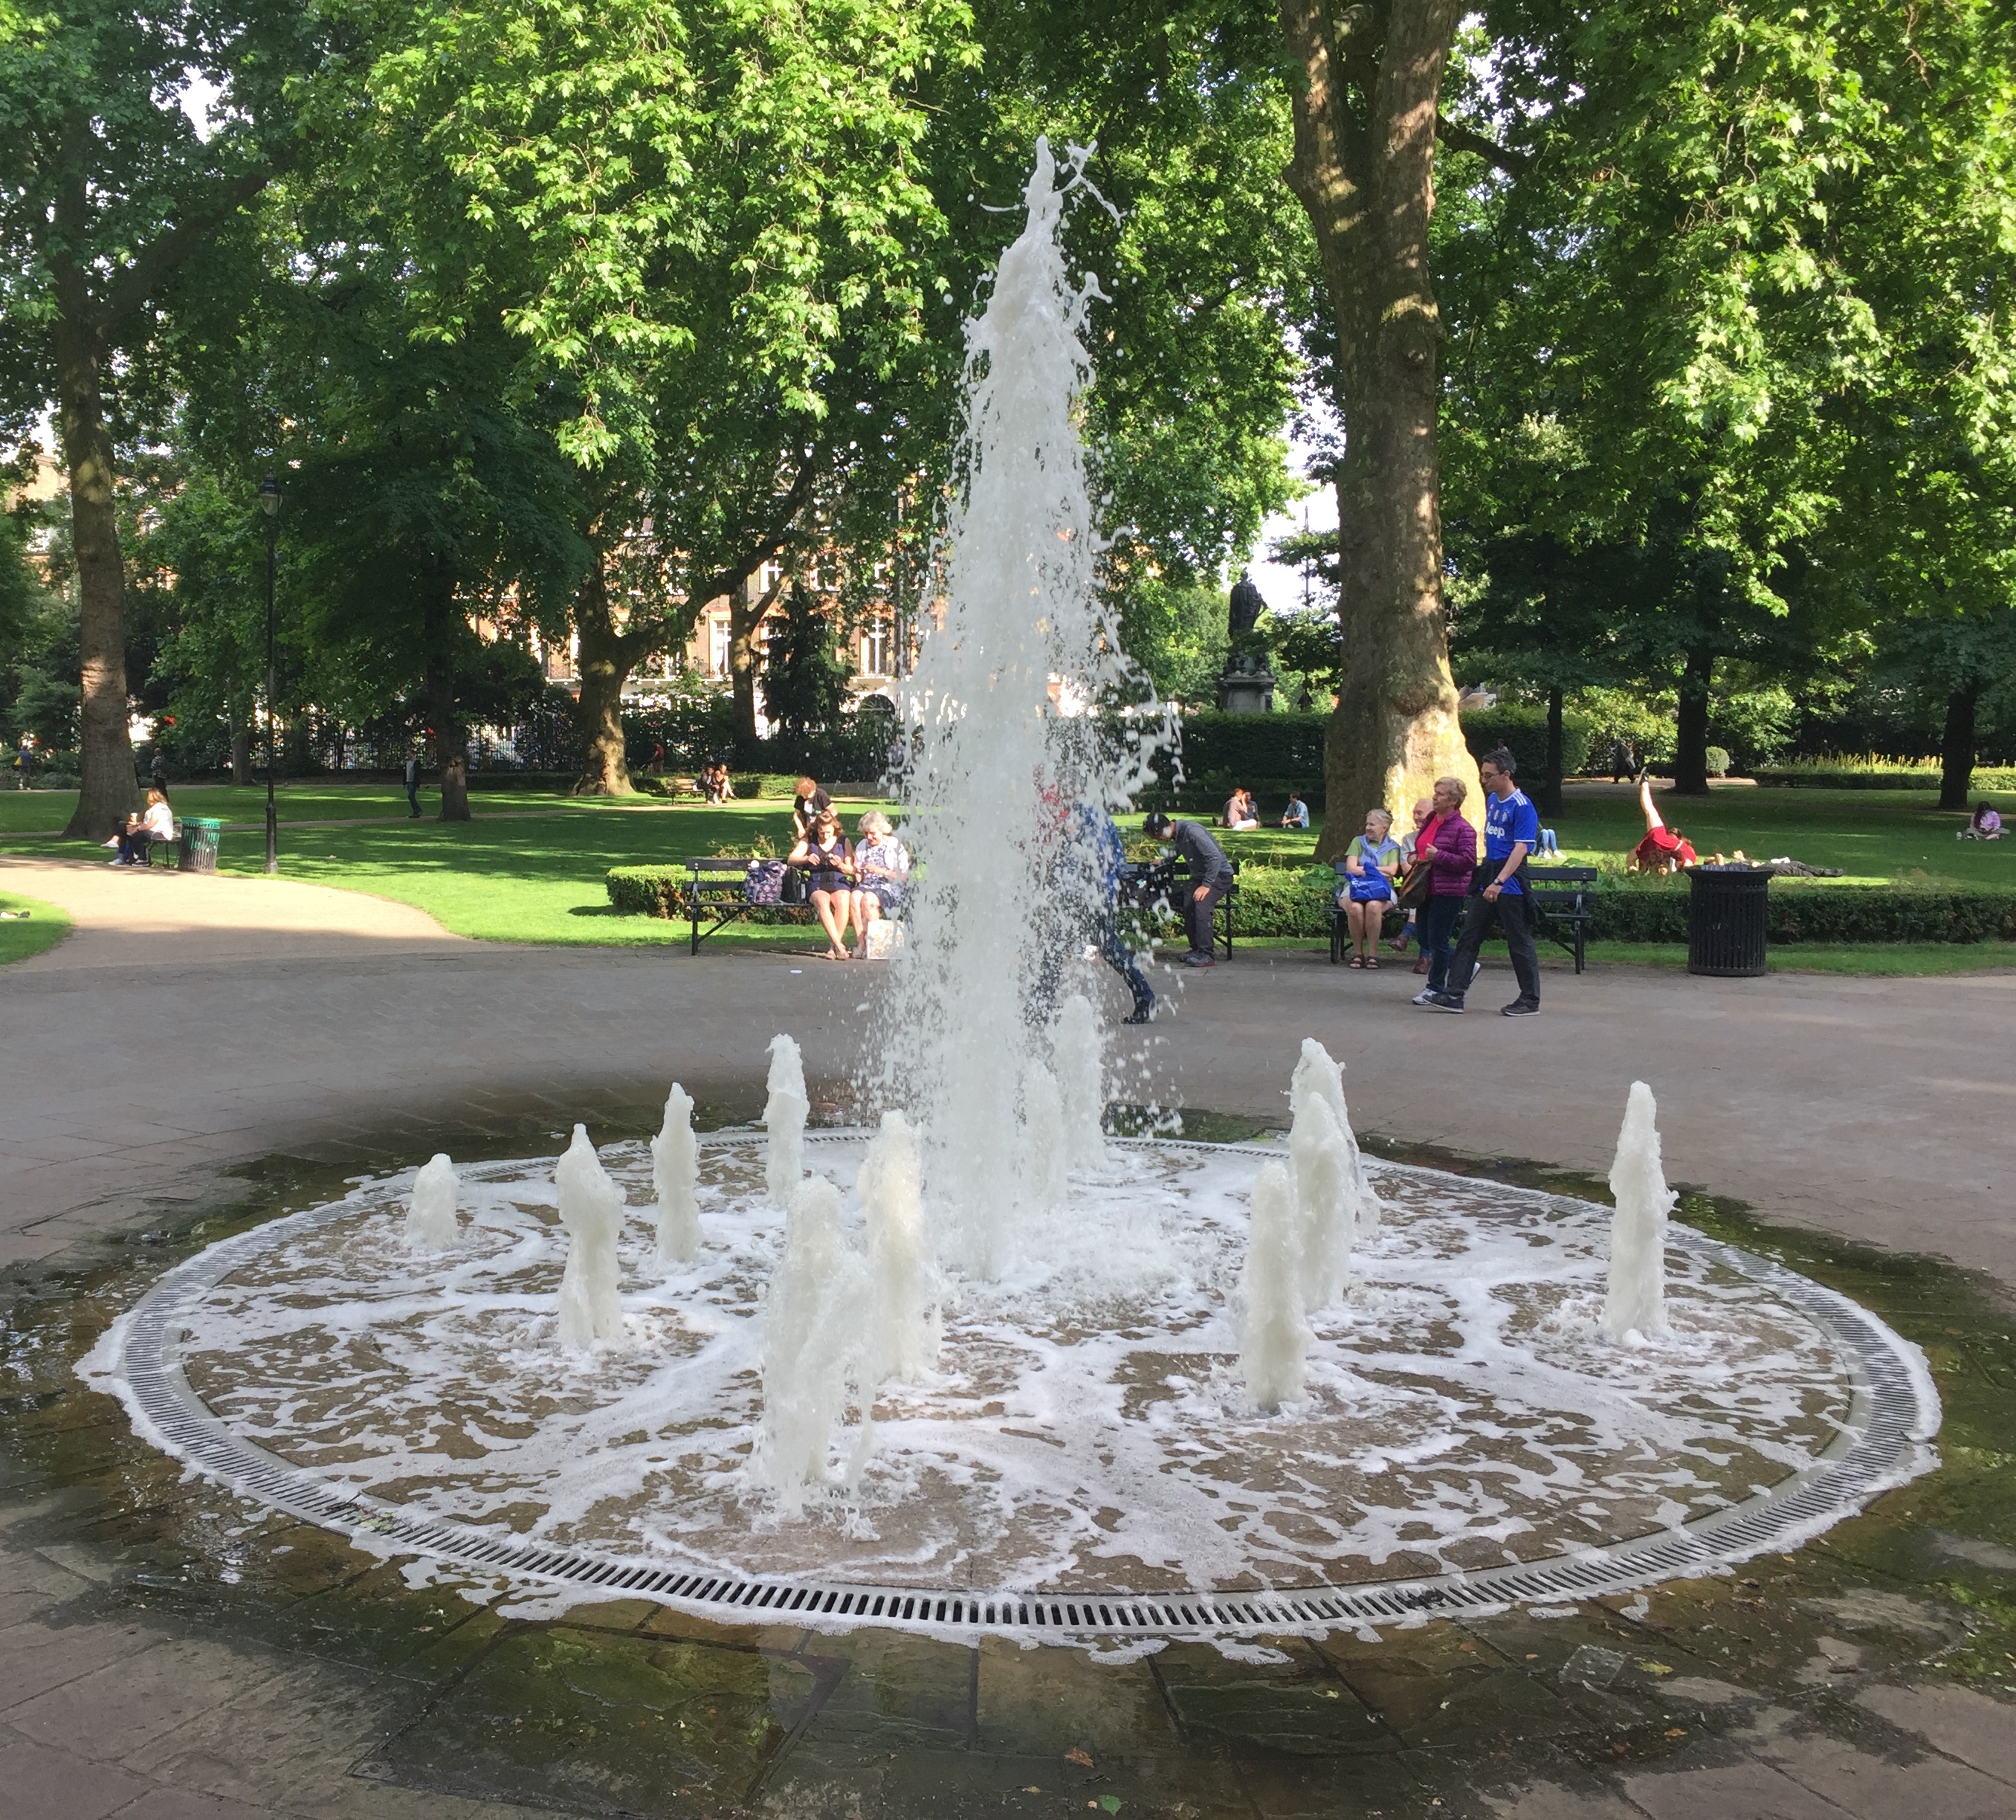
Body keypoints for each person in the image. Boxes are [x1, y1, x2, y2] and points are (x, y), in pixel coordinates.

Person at [1421, 747, 1542, 1016]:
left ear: (1506, 775)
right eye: (1483, 775)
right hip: (1488, 872)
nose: (1484, 781)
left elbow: (1521, 848)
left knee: (1518, 941)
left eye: (1489, 776)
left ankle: (1530, 999)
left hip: (1509, 878)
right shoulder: (1492, 801)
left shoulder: (1522, 806)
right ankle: (1454, 994)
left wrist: (1499, 881)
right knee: (1469, 936)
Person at [1405, 777, 1479, 999]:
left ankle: (1434, 987)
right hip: (1425, 886)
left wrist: (1439, 856)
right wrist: (1415, 857)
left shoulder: (1463, 829)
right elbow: (1423, 848)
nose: (1435, 797)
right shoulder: (1431, 820)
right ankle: (1464, 965)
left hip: (1448, 891)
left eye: (1440, 794)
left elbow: (1468, 861)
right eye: (1434, 792)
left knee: (1438, 940)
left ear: (1454, 800)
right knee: (1423, 937)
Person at [1143, 810, 1234, 968]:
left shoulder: (1192, 831)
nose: (1158, 840)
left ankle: (1207, 954)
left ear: (1160, 831)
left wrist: (1206, 885)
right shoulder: (1179, 833)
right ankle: (1196, 949)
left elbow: (1214, 857)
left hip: (1219, 876)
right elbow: (1178, 850)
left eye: (1155, 837)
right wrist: (1164, 861)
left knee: (1201, 906)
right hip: (1200, 877)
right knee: (1188, 906)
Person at [789, 803, 856, 960]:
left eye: (828, 833)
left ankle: (834, 947)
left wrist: (840, 864)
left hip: (838, 878)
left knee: (842, 900)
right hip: (817, 880)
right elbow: (791, 859)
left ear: (835, 828)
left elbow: (851, 869)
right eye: (821, 833)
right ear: (817, 829)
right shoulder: (809, 840)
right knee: (823, 900)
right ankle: (838, 945)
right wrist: (806, 858)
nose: (825, 836)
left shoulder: (843, 841)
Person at [1339, 807, 1401, 968]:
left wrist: (1365, 869)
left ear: (1384, 828)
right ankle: (1358, 954)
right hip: (1355, 886)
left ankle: (1372, 954)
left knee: (1374, 906)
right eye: (1367, 824)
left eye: (1372, 825)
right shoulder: (1358, 842)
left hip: (1383, 889)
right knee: (1355, 908)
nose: (1368, 828)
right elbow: (1351, 868)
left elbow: (1392, 871)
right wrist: (1378, 871)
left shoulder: (1393, 847)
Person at [850, 810, 910, 954]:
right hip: (867, 884)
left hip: (889, 886)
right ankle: (862, 943)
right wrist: (855, 872)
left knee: (868, 899)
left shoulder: (894, 845)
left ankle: (875, 944)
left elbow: (903, 877)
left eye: (873, 833)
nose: (869, 837)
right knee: (854, 897)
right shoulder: (862, 845)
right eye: (866, 833)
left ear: (882, 830)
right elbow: (859, 874)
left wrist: (880, 871)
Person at [1389, 796, 1433, 955]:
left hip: (1434, 888)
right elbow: (1407, 869)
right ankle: (1424, 957)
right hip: (1417, 887)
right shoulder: (1409, 839)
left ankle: (1405, 935)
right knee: (1419, 897)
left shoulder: (1440, 835)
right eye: (1414, 813)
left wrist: (1419, 863)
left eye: (1419, 813)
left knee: (1423, 902)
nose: (1415, 817)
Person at [1629, 772, 1696, 873]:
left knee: (1649, 809)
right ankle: (1635, 875)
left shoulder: (1687, 853)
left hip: (1659, 839)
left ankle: (1644, 781)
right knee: (1631, 859)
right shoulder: (1683, 853)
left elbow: (1688, 865)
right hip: (1656, 847)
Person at [112, 789, 175, 865]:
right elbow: (147, 823)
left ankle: (143, 859)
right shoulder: (154, 808)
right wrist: (138, 825)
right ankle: (126, 857)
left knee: (137, 835)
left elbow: (151, 824)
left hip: (161, 833)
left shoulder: (159, 808)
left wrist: (137, 829)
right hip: (153, 831)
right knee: (126, 831)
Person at [791, 776, 830, 842]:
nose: (804, 798)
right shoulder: (800, 798)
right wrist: (800, 828)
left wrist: (818, 818)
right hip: (808, 830)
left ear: (813, 790)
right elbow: (796, 815)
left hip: (822, 831)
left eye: (807, 795)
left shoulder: (821, 795)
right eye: (803, 796)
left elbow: (833, 812)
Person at [404, 754, 421, 818]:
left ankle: (418, 810)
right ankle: (416, 811)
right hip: (409, 782)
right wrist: (404, 783)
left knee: (410, 796)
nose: (408, 756)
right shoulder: (408, 763)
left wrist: (417, 784)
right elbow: (406, 773)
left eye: (409, 754)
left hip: (413, 782)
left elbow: (418, 774)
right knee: (411, 797)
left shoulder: (416, 763)